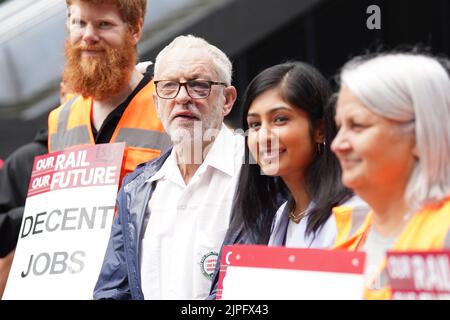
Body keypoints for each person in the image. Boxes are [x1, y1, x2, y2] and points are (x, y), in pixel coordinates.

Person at [93, 35, 244, 300]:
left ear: (227, 100)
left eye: (199, 86)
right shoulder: (136, 189)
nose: (182, 97)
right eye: (169, 86)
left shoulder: (258, 175)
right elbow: (113, 291)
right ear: (156, 103)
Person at [208, 62, 366, 299]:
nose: (263, 137)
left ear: (320, 130)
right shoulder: (280, 215)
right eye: (254, 125)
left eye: (280, 119)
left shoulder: (354, 212)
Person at [331, 53, 450, 299]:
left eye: (358, 126)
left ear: (419, 136)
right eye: (339, 125)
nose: (337, 144)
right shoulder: (349, 229)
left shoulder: (444, 231)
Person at [48, 0, 170, 180]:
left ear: (135, 30)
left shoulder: (173, 109)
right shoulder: (59, 121)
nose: (88, 36)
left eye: (104, 24)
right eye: (79, 23)